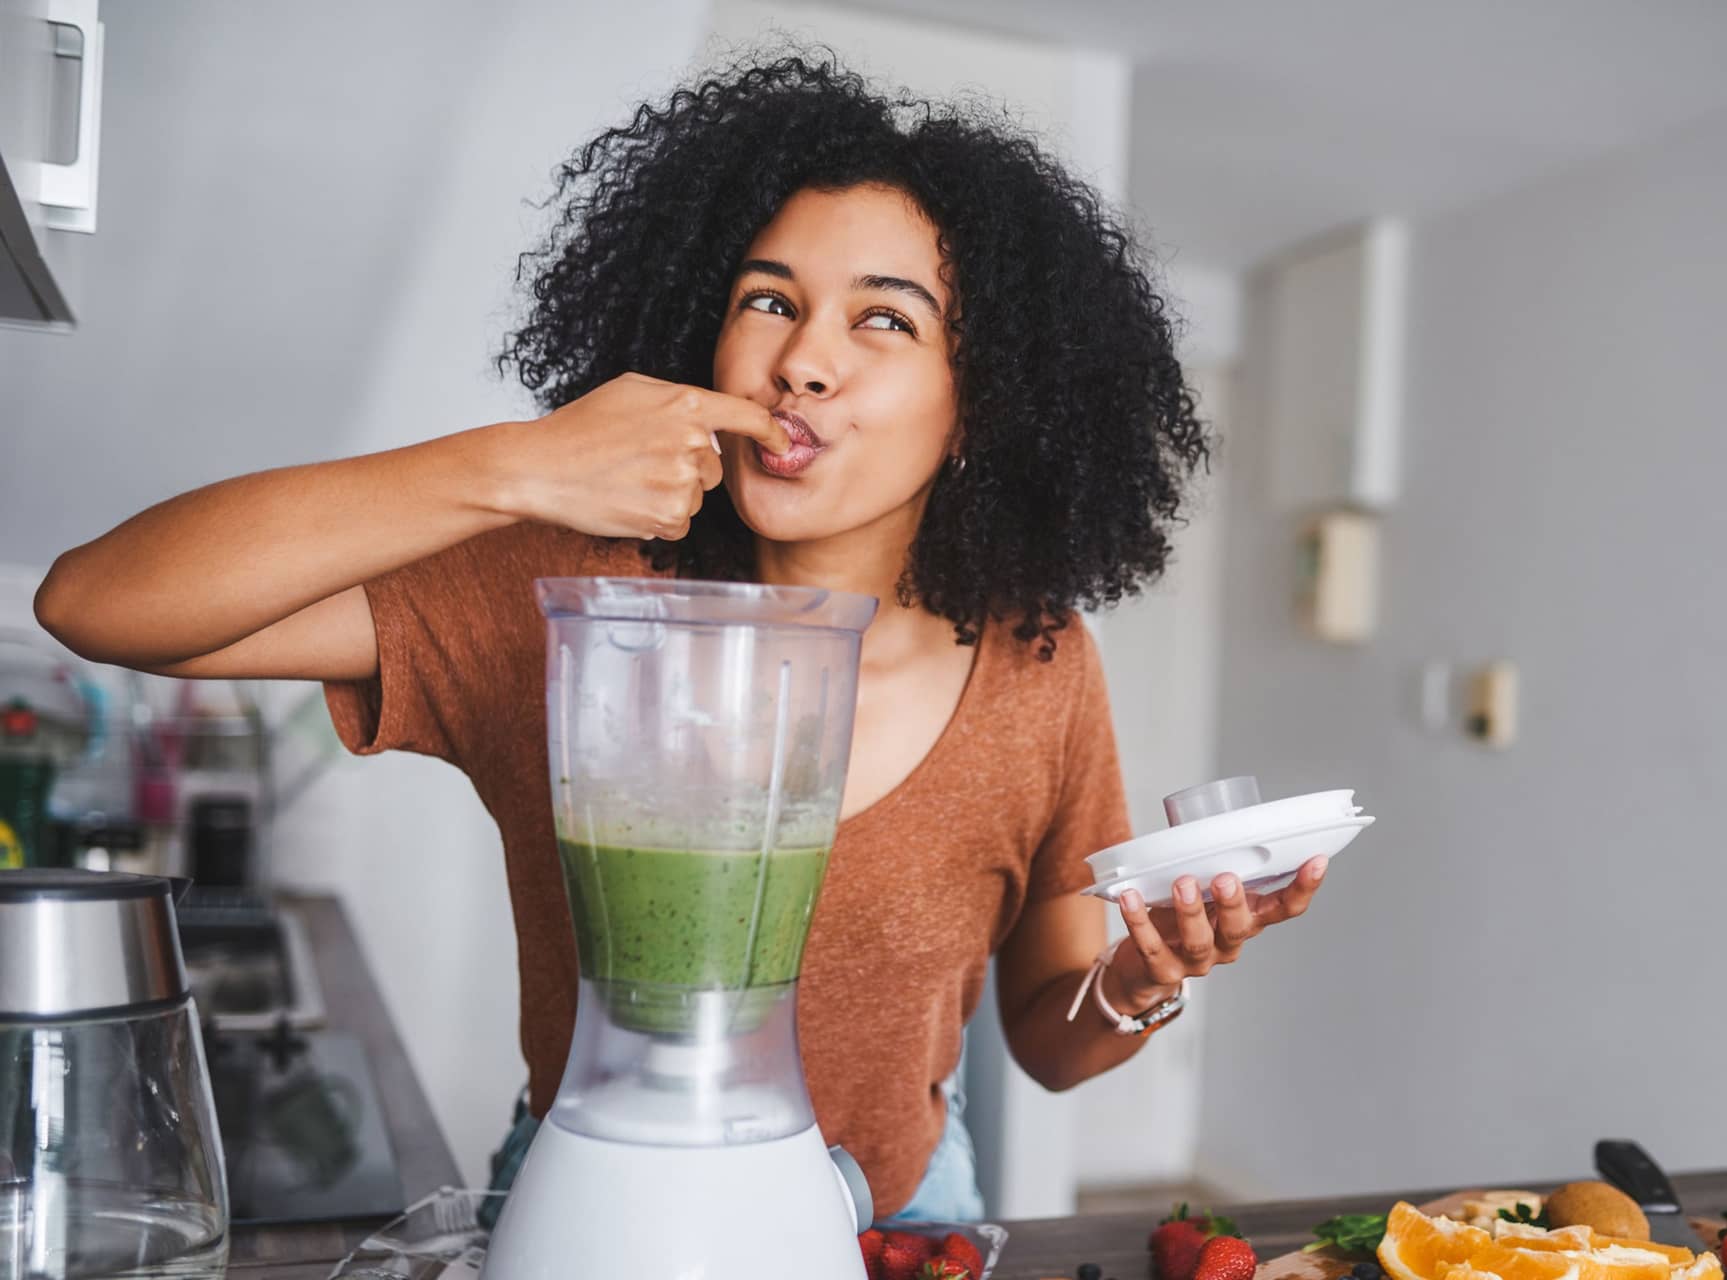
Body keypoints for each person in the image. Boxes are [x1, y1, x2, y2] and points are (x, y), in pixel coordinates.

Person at [34, 53, 1331, 1223]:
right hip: (596, 1209)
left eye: (884, 318)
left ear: (980, 404)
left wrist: (1142, 981)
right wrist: (518, 465)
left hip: (903, 1231)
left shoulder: (1037, 664)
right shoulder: (570, 595)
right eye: (769, 300)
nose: (802, 361)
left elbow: (1052, 1044)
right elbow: (97, 603)